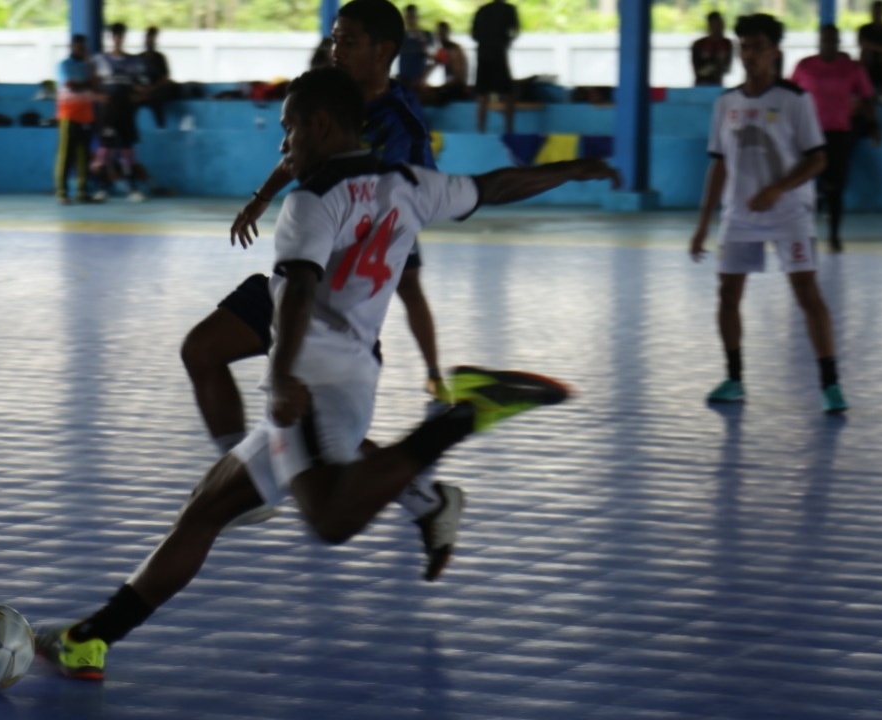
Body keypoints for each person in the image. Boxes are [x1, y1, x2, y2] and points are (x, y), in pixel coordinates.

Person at [35, 66, 619, 682]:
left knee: (331, 519)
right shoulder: (407, 180)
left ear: (319, 123)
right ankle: (90, 639)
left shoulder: (310, 202)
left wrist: (285, 378)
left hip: (313, 382)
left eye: (288, 131)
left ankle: (466, 415)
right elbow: (491, 187)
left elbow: (296, 293)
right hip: (348, 367)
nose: (284, 147)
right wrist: (572, 171)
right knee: (205, 510)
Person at [201, 0, 456, 582]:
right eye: (335, 38)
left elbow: (398, 214)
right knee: (206, 353)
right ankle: (251, 475)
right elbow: (297, 155)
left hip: (333, 291)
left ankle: (419, 491)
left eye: (348, 40)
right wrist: (263, 198)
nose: (336, 48)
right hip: (298, 273)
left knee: (321, 428)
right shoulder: (326, 97)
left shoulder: (401, 129)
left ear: (384, 51)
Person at [690, 13, 847, 416]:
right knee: (727, 294)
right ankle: (734, 378)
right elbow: (719, 165)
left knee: (807, 293)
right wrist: (703, 224)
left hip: (789, 212)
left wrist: (777, 189)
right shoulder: (726, 102)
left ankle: (830, 384)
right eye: (744, 46)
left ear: (775, 51)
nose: (750, 54)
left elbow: (817, 161)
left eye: (758, 46)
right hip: (739, 216)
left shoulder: (795, 100)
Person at [791, 24, 879, 252]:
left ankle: (834, 236)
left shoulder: (851, 68)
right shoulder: (805, 66)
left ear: (838, 42)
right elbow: (790, 97)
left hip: (839, 133)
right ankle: (806, 234)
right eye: (824, 39)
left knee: (835, 187)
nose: (828, 43)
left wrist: (873, 125)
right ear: (819, 40)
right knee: (808, 186)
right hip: (809, 134)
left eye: (833, 39)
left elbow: (867, 97)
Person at [92, 22, 149, 203]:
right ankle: (102, 188)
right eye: (115, 35)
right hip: (108, 111)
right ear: (110, 37)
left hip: (126, 110)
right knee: (104, 150)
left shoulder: (134, 61)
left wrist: (140, 95)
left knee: (127, 150)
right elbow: (91, 83)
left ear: (124, 37)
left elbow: (143, 86)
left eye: (121, 35)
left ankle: (132, 188)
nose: (118, 38)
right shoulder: (99, 60)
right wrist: (97, 96)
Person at [54, 34, 99, 205]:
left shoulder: (87, 66)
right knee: (66, 155)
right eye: (77, 46)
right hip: (68, 115)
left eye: (83, 47)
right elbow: (72, 85)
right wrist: (86, 84)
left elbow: (94, 84)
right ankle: (62, 192)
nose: (80, 49)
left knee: (83, 157)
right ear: (71, 46)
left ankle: (82, 191)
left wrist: (89, 64)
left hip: (86, 117)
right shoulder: (64, 65)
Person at [471, 0, 519, 134]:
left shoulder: (482, 10)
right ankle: (509, 129)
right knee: (509, 93)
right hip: (498, 54)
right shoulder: (509, 9)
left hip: (483, 55)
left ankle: (480, 130)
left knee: (482, 94)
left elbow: (474, 35)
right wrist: (505, 42)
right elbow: (515, 31)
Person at [424, 21, 470, 106]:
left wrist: (440, 87)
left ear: (447, 33)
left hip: (457, 89)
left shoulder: (454, 50)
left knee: (430, 97)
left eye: (442, 33)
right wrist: (421, 82)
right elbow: (432, 66)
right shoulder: (443, 51)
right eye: (438, 34)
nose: (440, 36)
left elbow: (458, 78)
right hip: (450, 87)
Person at [139, 26, 176, 129]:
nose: (150, 40)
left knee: (157, 97)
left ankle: (161, 126)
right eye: (148, 37)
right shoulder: (139, 58)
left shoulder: (160, 58)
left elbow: (165, 77)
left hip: (157, 91)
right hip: (143, 90)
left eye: (152, 37)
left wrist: (152, 88)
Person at [691, 12, 734, 87]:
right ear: (710, 26)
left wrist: (713, 67)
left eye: (720, 25)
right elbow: (698, 71)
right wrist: (717, 64)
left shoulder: (727, 43)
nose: (718, 28)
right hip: (701, 85)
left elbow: (727, 68)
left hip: (718, 84)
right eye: (715, 25)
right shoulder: (699, 44)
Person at [397, 5, 433, 90]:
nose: (410, 19)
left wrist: (422, 40)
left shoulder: (426, 35)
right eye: (408, 16)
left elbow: (432, 56)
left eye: (412, 16)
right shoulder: (401, 36)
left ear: (417, 17)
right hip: (404, 77)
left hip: (419, 78)